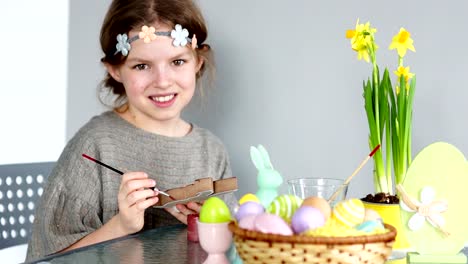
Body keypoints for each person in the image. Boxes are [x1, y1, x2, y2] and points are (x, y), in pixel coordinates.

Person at [26, 0, 236, 261]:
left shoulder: (211, 151)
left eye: (178, 61)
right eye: (141, 66)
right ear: (115, 70)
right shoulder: (94, 145)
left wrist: (209, 226)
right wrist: (121, 226)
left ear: (198, 62)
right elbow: (46, 259)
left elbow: (229, 249)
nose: (162, 81)